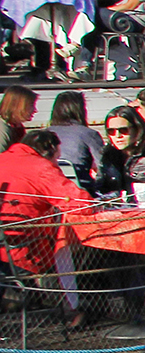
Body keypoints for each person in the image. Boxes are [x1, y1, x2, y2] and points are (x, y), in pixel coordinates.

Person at [0, 125, 92, 327]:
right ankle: (72, 311)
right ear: (48, 152)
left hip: (6, 245)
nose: (56, 164)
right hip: (27, 249)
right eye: (56, 159)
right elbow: (79, 202)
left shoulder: (3, 158)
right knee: (72, 248)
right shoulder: (40, 167)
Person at [94, 103, 145, 201]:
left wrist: (135, 196)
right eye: (111, 131)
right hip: (115, 209)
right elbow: (100, 187)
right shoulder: (107, 153)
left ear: (137, 129)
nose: (118, 135)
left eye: (123, 130)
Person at [47, 93, 105, 190]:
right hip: (81, 188)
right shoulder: (89, 134)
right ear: (80, 111)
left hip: (49, 188)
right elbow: (103, 165)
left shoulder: (44, 134)